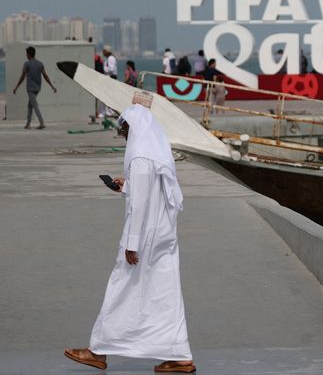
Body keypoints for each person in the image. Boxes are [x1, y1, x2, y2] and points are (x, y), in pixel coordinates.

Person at [64, 104, 196, 374]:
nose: (122, 133)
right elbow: (147, 194)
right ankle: (180, 355)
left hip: (145, 236)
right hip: (162, 234)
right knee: (165, 293)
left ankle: (97, 351)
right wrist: (125, 186)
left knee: (120, 286)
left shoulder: (140, 157)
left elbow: (141, 204)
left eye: (124, 128)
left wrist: (131, 243)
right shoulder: (154, 152)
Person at [12, 46, 57, 129]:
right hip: (37, 88)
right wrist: (52, 86)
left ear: (28, 54)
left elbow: (22, 76)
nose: (26, 55)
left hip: (30, 89)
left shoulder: (27, 64)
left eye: (26, 54)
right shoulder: (40, 64)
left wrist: (16, 87)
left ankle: (41, 123)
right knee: (30, 105)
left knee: (35, 105)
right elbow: (45, 76)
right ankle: (28, 124)